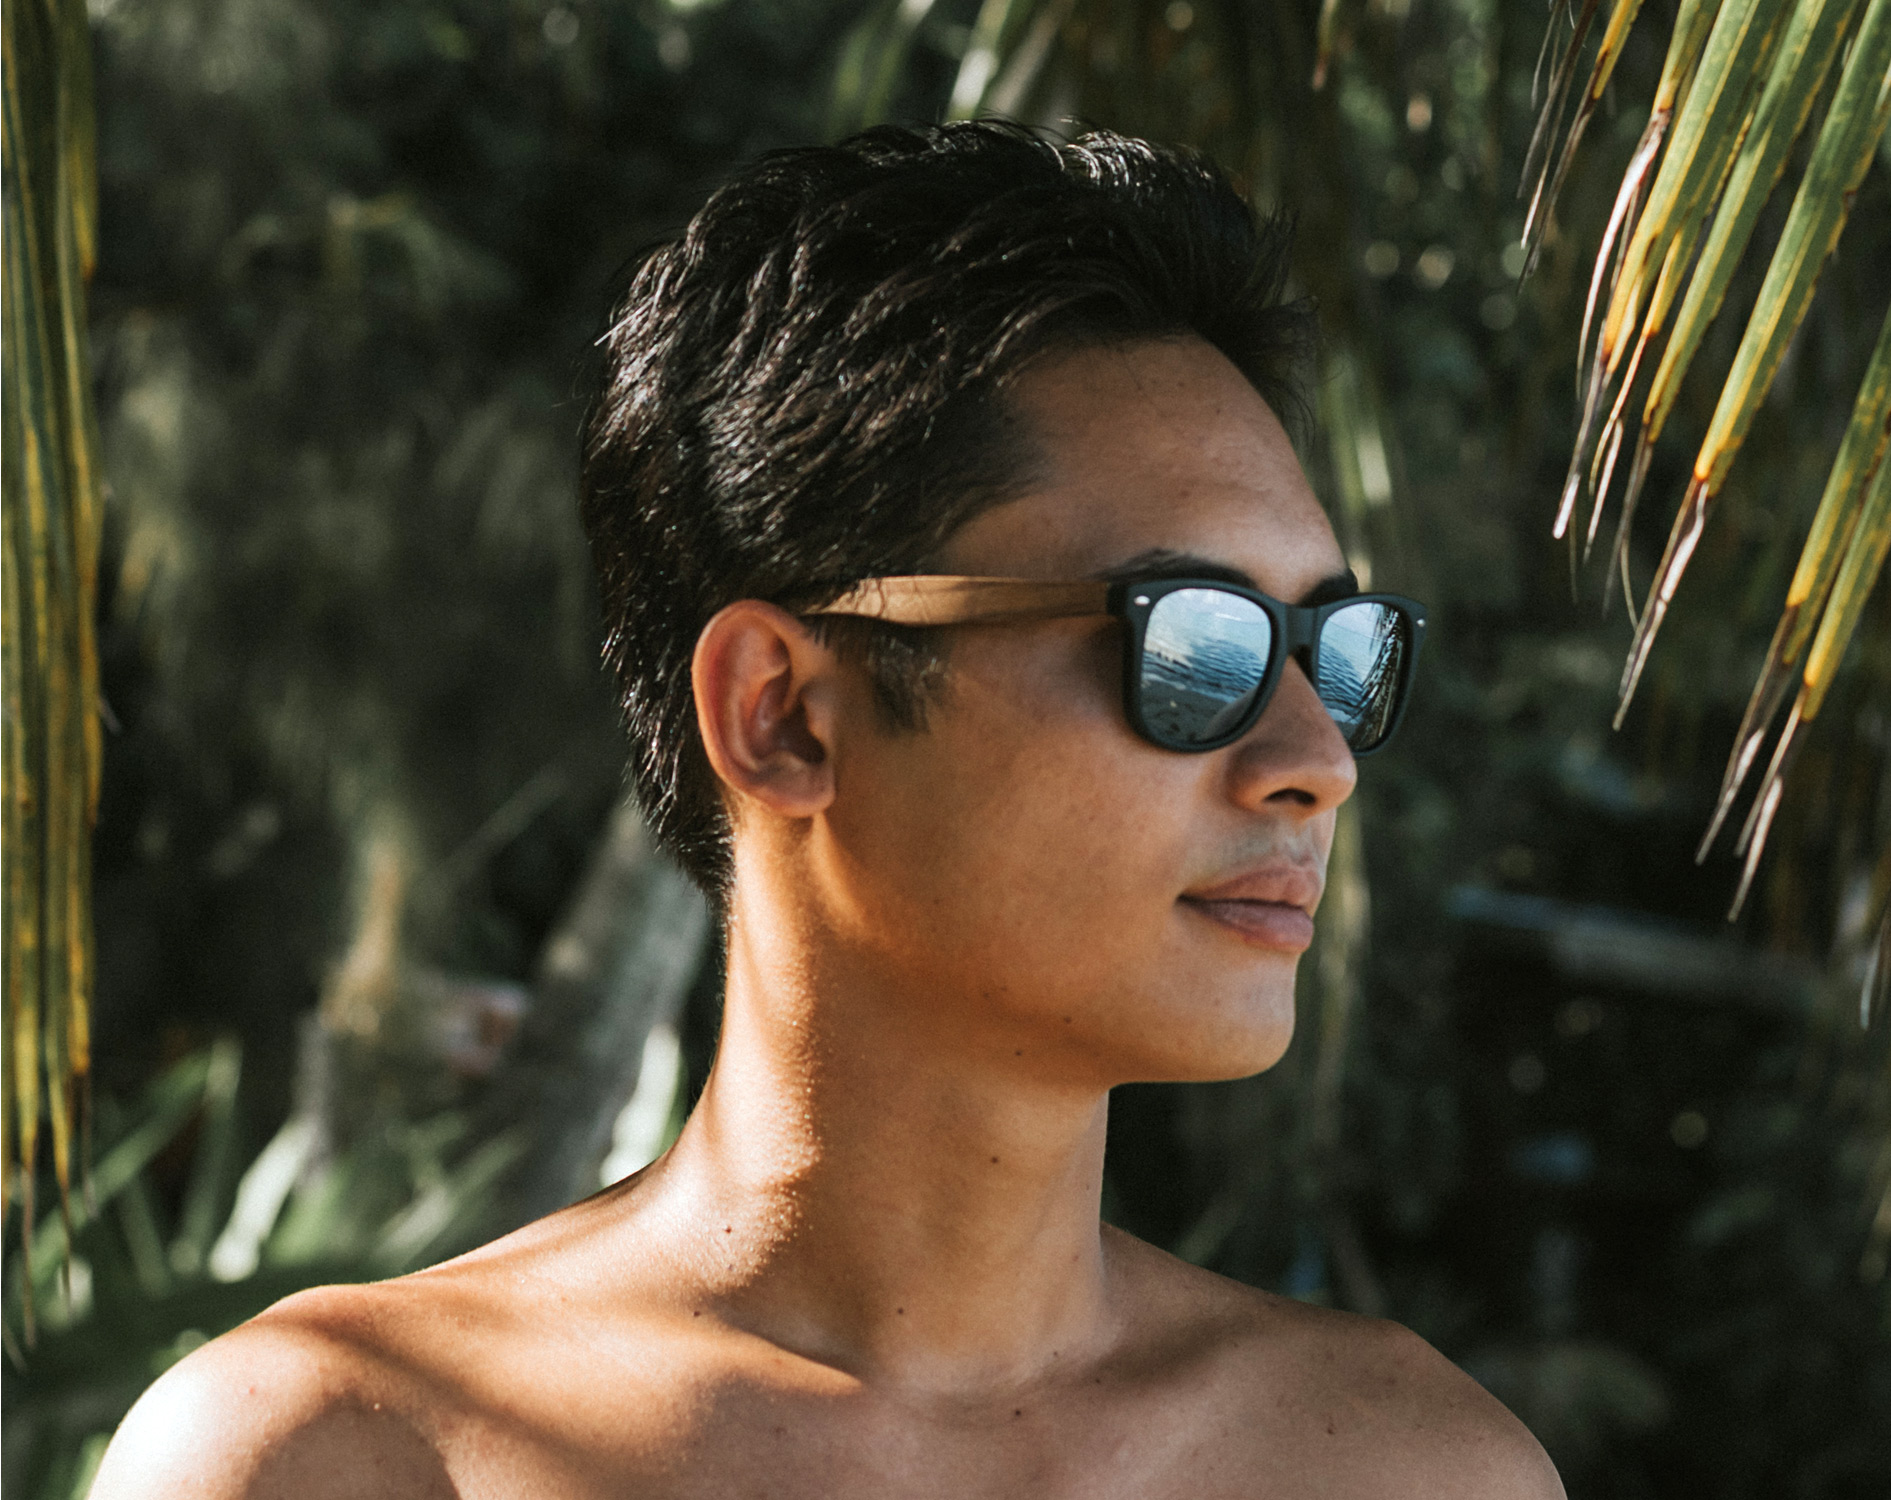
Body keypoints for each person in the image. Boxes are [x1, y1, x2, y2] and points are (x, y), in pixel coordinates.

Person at [92, 121, 1562, 1499]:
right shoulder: (348, 1460)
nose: (1317, 757)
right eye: (1195, 645)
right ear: (782, 713)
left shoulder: (1409, 1472)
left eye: (1335, 654)